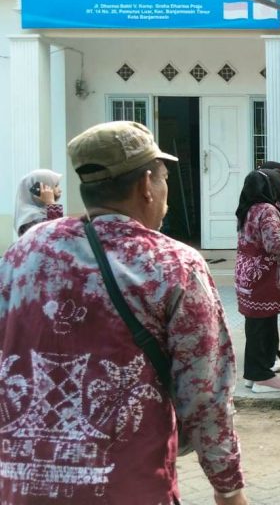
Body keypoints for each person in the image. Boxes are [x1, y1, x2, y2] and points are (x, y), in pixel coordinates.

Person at [0, 121, 246, 504]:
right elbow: (204, 395)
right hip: (129, 486)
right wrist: (228, 488)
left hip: (22, 487)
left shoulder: (23, 253)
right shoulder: (174, 264)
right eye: (164, 178)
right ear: (146, 185)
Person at [235, 168, 280, 394]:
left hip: (248, 274)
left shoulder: (247, 208)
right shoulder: (266, 210)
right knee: (262, 323)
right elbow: (276, 245)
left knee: (256, 323)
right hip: (263, 276)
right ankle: (261, 377)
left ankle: (254, 372)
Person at [14, 169, 64, 238]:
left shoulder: (42, 212)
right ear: (40, 189)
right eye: (56, 185)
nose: (60, 190)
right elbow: (59, 236)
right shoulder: (32, 219)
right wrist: (51, 202)